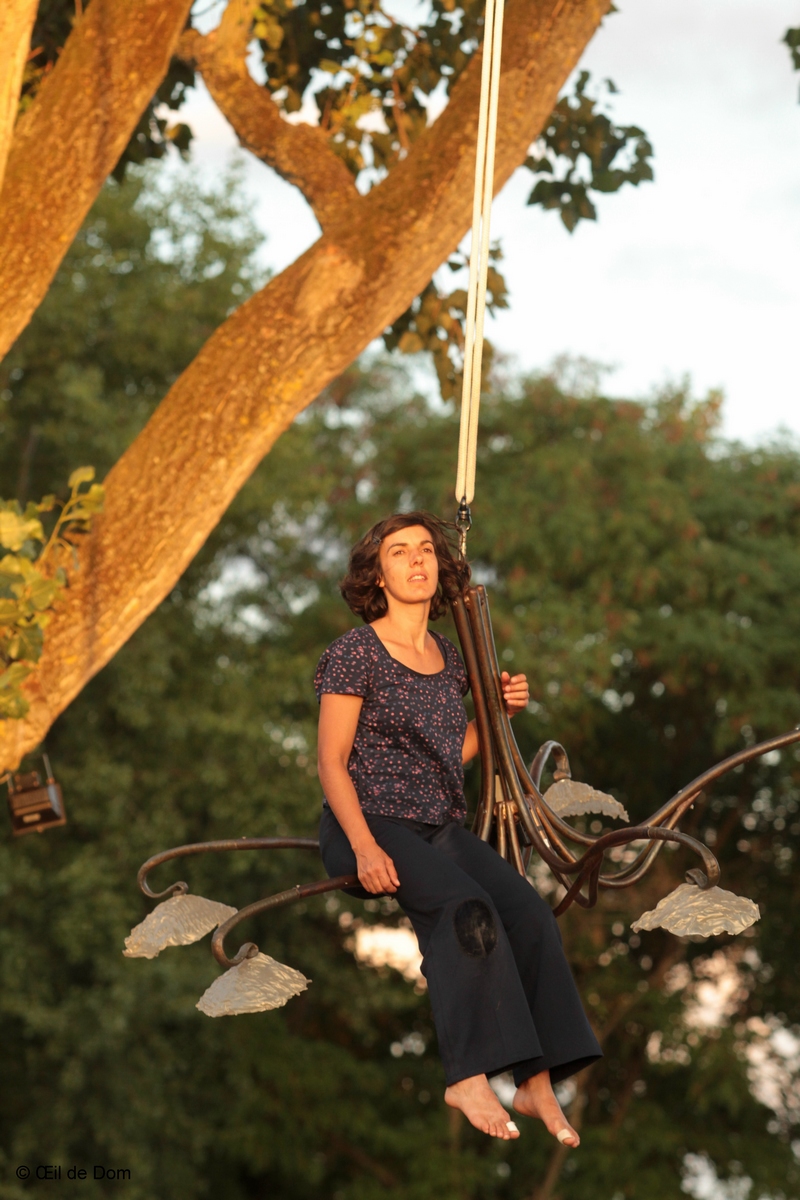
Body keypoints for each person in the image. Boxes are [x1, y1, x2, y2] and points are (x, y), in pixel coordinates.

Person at [315, 512, 601, 1143]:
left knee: (529, 915)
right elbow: (331, 762)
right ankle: (467, 1076)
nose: (417, 560)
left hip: (438, 827)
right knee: (464, 908)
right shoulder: (354, 652)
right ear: (378, 575)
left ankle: (535, 1082)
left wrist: (498, 714)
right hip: (367, 821)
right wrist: (363, 845)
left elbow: (454, 751)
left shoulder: (448, 657)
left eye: (425, 549)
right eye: (399, 552)